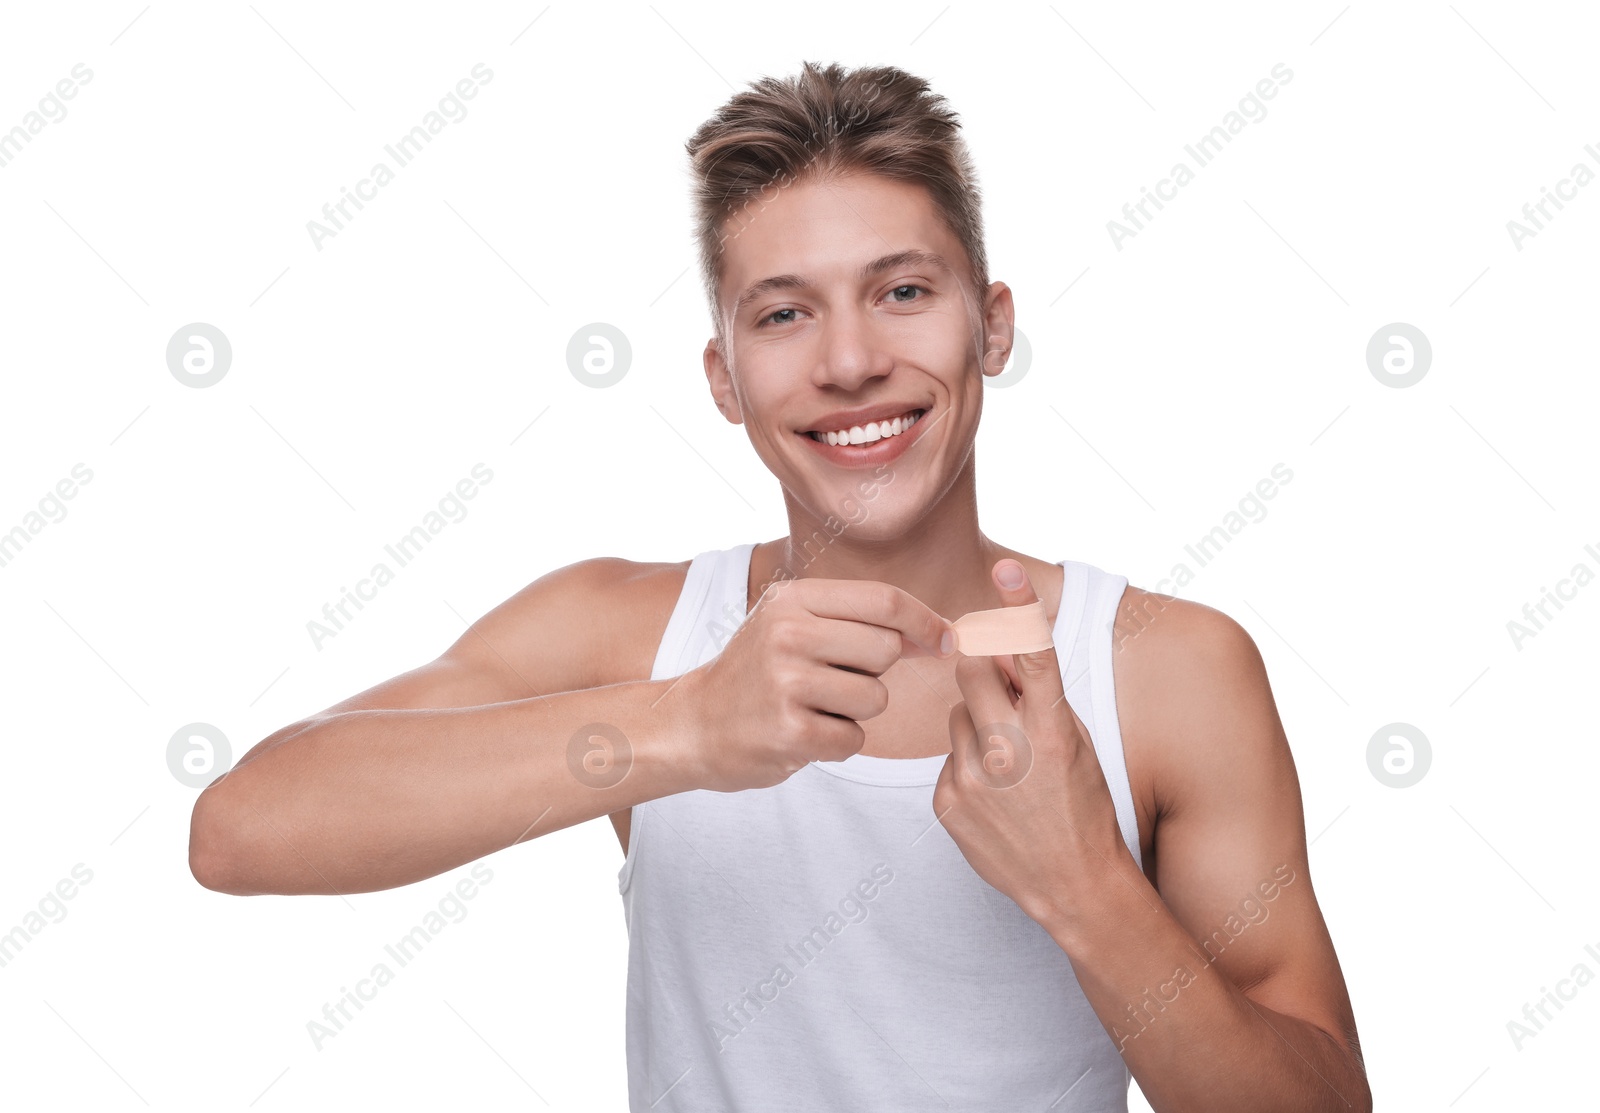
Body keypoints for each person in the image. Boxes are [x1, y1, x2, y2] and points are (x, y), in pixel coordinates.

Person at [189, 60, 1371, 1112]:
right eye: (784, 314)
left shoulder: (1164, 669)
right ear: (722, 375)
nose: (850, 361)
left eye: (903, 291)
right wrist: (688, 724)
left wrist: (1083, 888)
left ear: (991, 324)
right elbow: (242, 830)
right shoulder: (627, 633)